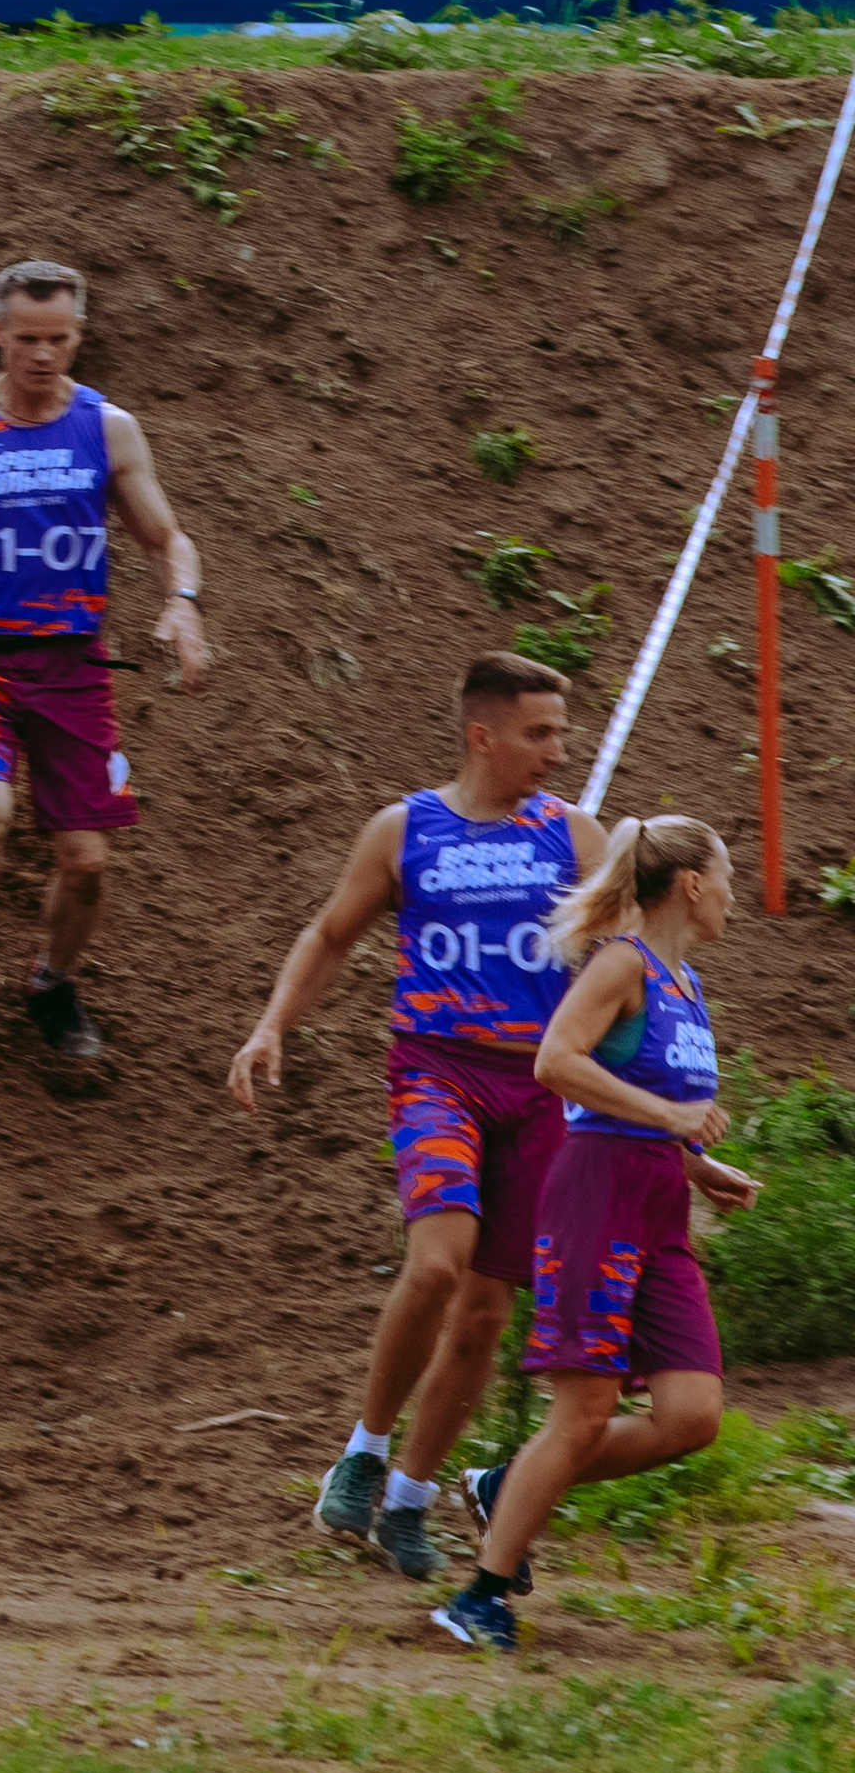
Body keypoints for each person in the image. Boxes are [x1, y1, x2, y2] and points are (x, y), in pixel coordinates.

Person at [228, 652, 603, 1582]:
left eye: (563, 731)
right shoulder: (405, 829)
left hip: (541, 1086)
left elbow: (633, 957)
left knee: (484, 1311)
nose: (559, 752)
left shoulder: (578, 836)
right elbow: (329, 934)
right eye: (540, 732)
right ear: (484, 735)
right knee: (437, 1265)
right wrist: (273, 1025)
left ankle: (409, 1498)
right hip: (437, 1069)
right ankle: (362, 1450)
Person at [433, 814, 760, 1652]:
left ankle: (508, 1484)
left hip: (656, 1202)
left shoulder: (686, 985)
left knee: (692, 1414)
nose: (734, 893)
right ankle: (479, 1596)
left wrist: (697, 1165)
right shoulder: (624, 963)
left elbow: (631, 1096)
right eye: (727, 874)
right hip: (595, 1195)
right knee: (585, 1410)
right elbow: (556, 1062)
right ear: (690, 882)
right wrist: (671, 1117)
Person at [0, 258, 211, 1077]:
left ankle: (52, 983)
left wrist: (184, 602)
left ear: (79, 335)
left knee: (89, 863)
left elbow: (166, 537)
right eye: (26, 338)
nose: (42, 355)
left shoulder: (107, 427)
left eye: (58, 338)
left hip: (73, 666)